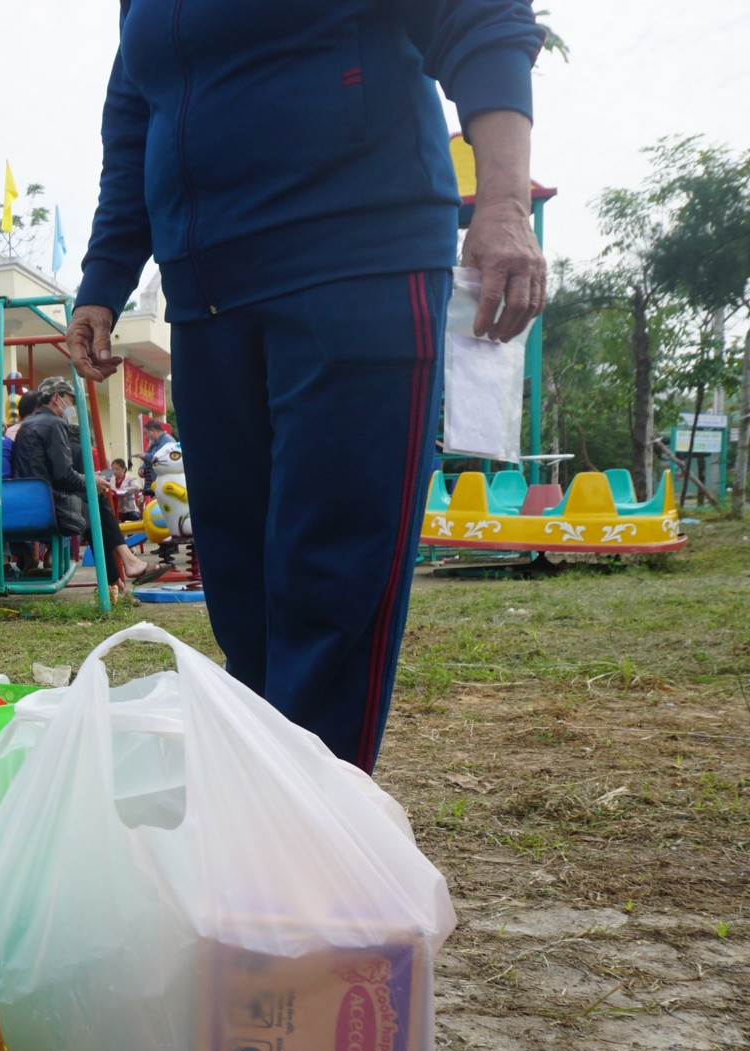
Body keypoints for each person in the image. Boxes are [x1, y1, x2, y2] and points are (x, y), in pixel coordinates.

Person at [66, 0, 546, 771]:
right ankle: (264, 818)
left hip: (355, 261)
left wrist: (502, 203)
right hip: (207, 299)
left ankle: (310, 851)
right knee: (242, 587)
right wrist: (104, 278)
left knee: (329, 585)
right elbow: (135, 122)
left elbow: (479, 16)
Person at [10, 377, 146, 588]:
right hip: (48, 508)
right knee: (96, 500)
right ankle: (124, 564)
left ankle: (120, 574)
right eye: (70, 401)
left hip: (27, 503)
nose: (71, 407)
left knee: (93, 503)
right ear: (56, 398)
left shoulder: (26, 425)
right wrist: (91, 480)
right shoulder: (54, 424)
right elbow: (64, 475)